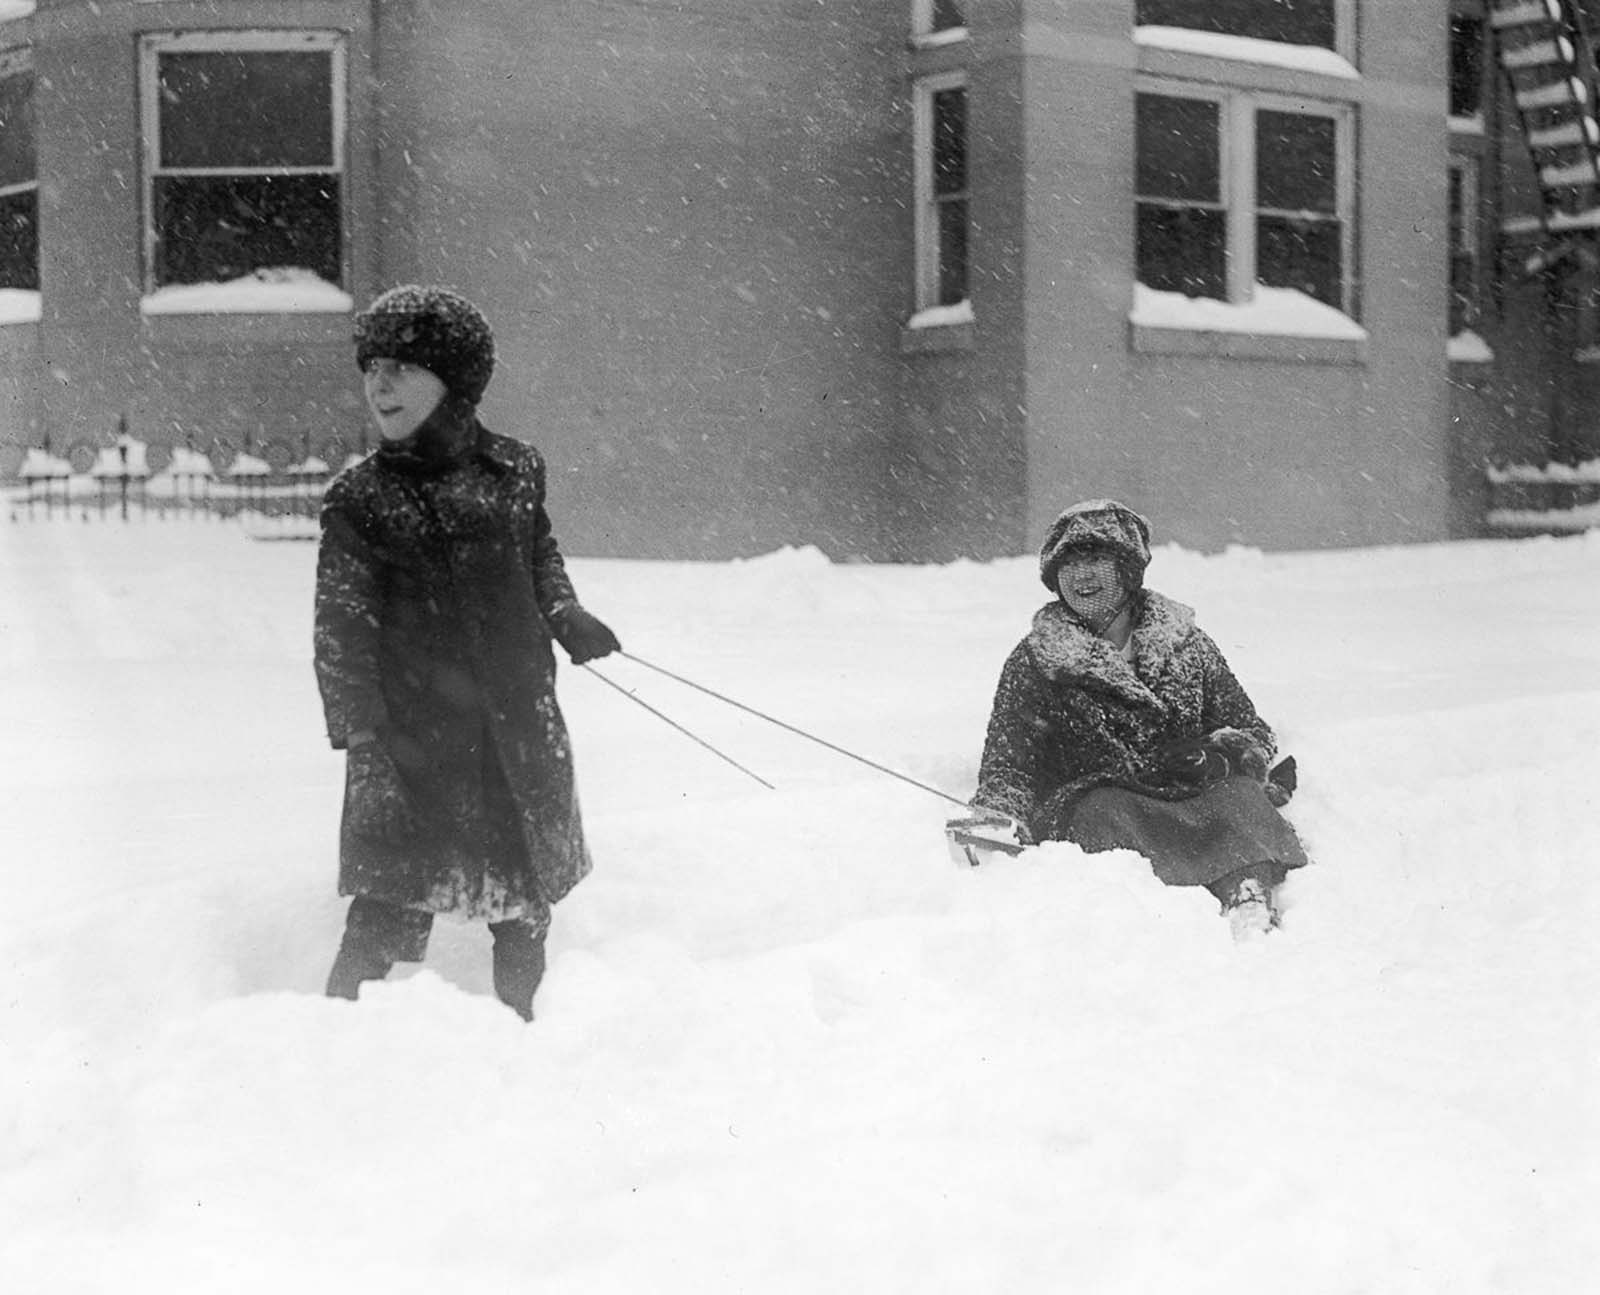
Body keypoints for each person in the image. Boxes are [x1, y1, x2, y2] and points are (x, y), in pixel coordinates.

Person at [313, 284, 621, 1018]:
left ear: (453, 381)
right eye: (371, 366)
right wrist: (362, 736)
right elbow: (341, 629)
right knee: (386, 906)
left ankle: (528, 1030)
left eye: (402, 367)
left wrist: (563, 609)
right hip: (412, 741)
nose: (378, 384)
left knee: (521, 903)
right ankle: (329, 1040)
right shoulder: (361, 500)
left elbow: (537, 548)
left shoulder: (513, 472)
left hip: (512, 727)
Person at [957, 499, 1306, 937]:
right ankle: (1151, 914)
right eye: (1069, 564)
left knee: (1239, 797)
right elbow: (1009, 763)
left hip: (1189, 793)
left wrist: (1217, 757)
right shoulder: (1036, 661)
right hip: (1103, 803)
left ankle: (1248, 893)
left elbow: (1250, 729)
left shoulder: (1188, 645)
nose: (1081, 576)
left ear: (1128, 570)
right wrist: (998, 817)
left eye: (1097, 559)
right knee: (1106, 814)